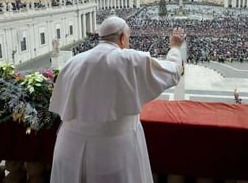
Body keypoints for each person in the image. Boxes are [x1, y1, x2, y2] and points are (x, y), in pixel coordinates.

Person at [49, 16, 185, 183]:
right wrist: (175, 47)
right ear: (122, 38)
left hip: (68, 147)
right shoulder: (129, 59)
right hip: (111, 152)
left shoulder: (72, 62)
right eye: (128, 38)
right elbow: (173, 71)